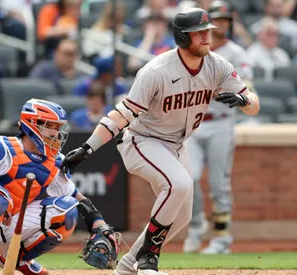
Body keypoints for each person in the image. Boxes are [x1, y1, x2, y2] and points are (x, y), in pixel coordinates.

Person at [60, 8, 260, 275]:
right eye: (198, 33)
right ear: (181, 38)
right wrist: (88, 147)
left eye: (207, 32)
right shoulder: (156, 70)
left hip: (178, 145)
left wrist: (244, 101)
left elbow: (254, 104)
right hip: (142, 140)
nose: (206, 37)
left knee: (182, 217)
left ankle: (129, 265)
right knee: (178, 185)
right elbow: (122, 114)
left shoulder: (218, 65)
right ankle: (148, 260)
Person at [0, 99, 119, 275]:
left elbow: (75, 197)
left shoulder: (56, 161)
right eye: (50, 126)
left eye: (58, 127)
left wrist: (98, 223)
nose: (56, 133)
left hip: (9, 222)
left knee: (68, 211)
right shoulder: (2, 147)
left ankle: (17, 259)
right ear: (31, 124)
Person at [182, 0, 255, 255]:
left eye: (225, 21)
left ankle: (222, 240)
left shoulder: (236, 53)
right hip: (194, 122)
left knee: (218, 184)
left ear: (230, 24)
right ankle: (197, 224)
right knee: (187, 178)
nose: (221, 25)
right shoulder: (196, 49)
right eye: (217, 20)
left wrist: (240, 95)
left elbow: (247, 85)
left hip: (222, 123)